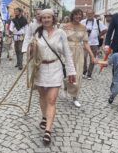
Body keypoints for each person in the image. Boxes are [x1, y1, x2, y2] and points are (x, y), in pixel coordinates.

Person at [30, 9, 76, 145]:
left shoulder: (60, 33)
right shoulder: (37, 33)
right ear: (41, 19)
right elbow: (31, 51)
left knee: (51, 99)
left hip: (55, 68)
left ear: (53, 19)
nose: (46, 20)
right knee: (42, 97)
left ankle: (48, 131)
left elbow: (67, 52)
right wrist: (31, 48)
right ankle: (44, 116)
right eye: (43, 18)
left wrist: (71, 71)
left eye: (48, 17)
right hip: (40, 69)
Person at [61, 8, 96, 108]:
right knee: (66, 73)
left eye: (80, 15)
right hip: (66, 51)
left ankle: (75, 97)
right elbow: (60, 41)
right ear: (72, 15)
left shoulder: (83, 27)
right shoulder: (65, 27)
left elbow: (85, 42)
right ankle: (65, 87)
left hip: (79, 52)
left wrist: (92, 55)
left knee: (78, 74)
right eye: (76, 14)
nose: (78, 17)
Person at [81, 9, 107, 80]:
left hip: (94, 43)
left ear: (93, 14)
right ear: (86, 14)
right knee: (83, 57)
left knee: (93, 59)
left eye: (91, 13)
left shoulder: (98, 22)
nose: (89, 15)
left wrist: (99, 35)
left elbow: (105, 29)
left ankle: (89, 74)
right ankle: (84, 71)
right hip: (84, 43)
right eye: (88, 13)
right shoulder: (82, 22)